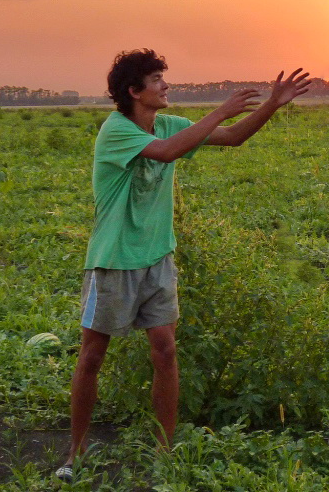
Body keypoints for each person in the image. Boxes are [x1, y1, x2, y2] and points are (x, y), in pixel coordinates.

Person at [56, 49, 311, 482]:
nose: (165, 85)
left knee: (166, 349)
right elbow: (168, 152)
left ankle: (164, 451)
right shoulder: (116, 131)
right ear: (134, 91)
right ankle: (74, 453)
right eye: (156, 80)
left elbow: (232, 138)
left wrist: (269, 105)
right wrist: (221, 109)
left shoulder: (168, 123)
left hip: (158, 257)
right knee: (92, 356)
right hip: (114, 262)